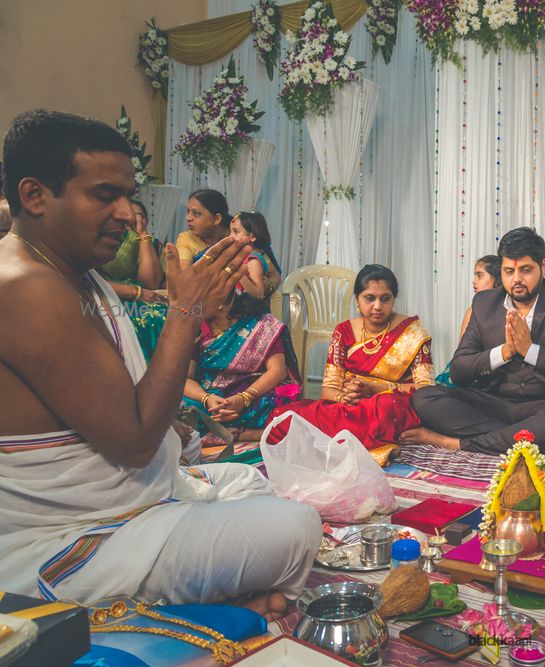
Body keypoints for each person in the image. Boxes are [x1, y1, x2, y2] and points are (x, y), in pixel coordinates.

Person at [0, 110, 319, 615]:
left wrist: (178, 432)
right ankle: (178, 608)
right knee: (296, 529)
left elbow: (110, 403)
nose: (128, 214)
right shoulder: (24, 288)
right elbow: (132, 443)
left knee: (250, 480)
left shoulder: (73, 273)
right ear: (35, 195)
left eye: (130, 196)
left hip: (125, 504)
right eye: (106, 195)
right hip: (68, 540)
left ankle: (215, 594)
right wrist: (186, 312)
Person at [404, 227, 545, 454]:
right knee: (424, 398)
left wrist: (530, 350)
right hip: (494, 403)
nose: (516, 279)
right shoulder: (484, 303)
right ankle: (520, 438)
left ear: (543, 267)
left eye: (526, 270)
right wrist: (506, 352)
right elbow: (459, 370)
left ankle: (457, 443)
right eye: (509, 271)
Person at [268, 264, 433, 466]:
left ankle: (330, 445)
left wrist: (377, 389)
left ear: (394, 299)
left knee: (383, 408)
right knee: (283, 417)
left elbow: (426, 390)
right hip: (348, 407)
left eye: (385, 298)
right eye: (370, 298)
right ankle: (365, 444)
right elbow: (328, 389)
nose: (378, 306)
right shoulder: (343, 331)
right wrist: (344, 398)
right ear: (357, 299)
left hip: (389, 406)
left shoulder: (413, 332)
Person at [181, 290, 301, 452]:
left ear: (221, 301)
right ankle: (244, 433)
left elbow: (277, 371)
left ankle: (224, 431)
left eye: (199, 299)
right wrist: (207, 398)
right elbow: (184, 378)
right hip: (209, 397)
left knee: (283, 405)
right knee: (175, 407)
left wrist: (243, 398)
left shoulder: (262, 324)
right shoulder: (195, 326)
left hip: (251, 392)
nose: (193, 305)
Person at [97, 199, 170, 358]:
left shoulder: (148, 242)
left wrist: (143, 235)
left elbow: (151, 282)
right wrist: (135, 292)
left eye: (139, 216)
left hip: (140, 293)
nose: (133, 219)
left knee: (167, 312)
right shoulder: (103, 238)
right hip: (106, 294)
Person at [436, 254, 502, 386]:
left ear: (496, 279)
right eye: (475, 275)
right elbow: (463, 350)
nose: (474, 281)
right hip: (473, 370)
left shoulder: (509, 308)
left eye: (479, 275)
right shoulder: (473, 310)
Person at [229, 211, 282, 299]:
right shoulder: (235, 256)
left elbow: (259, 294)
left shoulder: (253, 261)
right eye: (230, 231)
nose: (230, 236)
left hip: (249, 310)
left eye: (236, 232)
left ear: (252, 236)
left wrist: (238, 273)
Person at [176, 189, 230, 269]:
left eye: (196, 213)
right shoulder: (187, 238)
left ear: (217, 219)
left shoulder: (235, 238)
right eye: (188, 211)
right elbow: (183, 275)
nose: (188, 218)